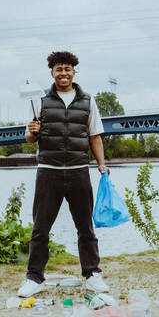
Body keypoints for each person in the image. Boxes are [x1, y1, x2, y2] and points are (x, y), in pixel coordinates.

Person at [18, 51, 110, 298]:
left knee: (86, 228)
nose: (63, 73)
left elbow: (95, 136)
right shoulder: (39, 101)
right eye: (59, 69)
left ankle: (92, 275)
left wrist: (101, 164)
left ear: (74, 72)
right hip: (49, 172)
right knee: (40, 229)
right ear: (52, 73)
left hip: (79, 171)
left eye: (68, 69)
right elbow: (29, 139)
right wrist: (32, 131)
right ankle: (34, 278)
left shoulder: (88, 101)